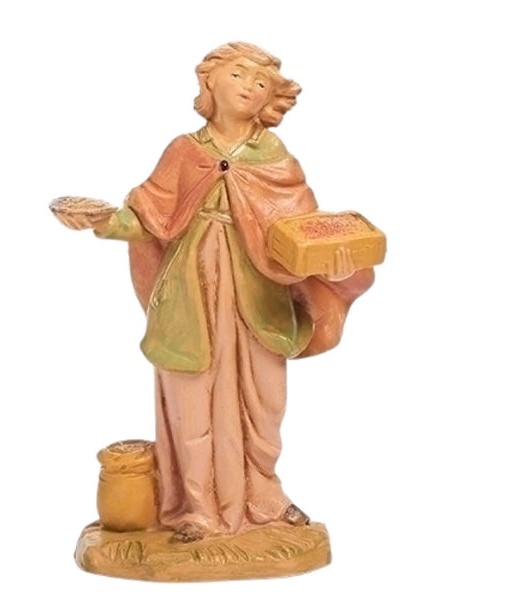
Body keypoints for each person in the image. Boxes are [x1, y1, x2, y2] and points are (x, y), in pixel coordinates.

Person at [93, 42, 375, 542]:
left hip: (258, 295)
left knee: (263, 400)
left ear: (271, 99)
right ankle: (196, 509)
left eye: (261, 83)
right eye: (238, 75)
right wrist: (106, 222)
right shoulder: (184, 151)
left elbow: (303, 229)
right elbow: (149, 218)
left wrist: (333, 259)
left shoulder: (276, 159)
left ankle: (263, 497)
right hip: (192, 291)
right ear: (210, 82)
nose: (249, 87)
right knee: (191, 400)